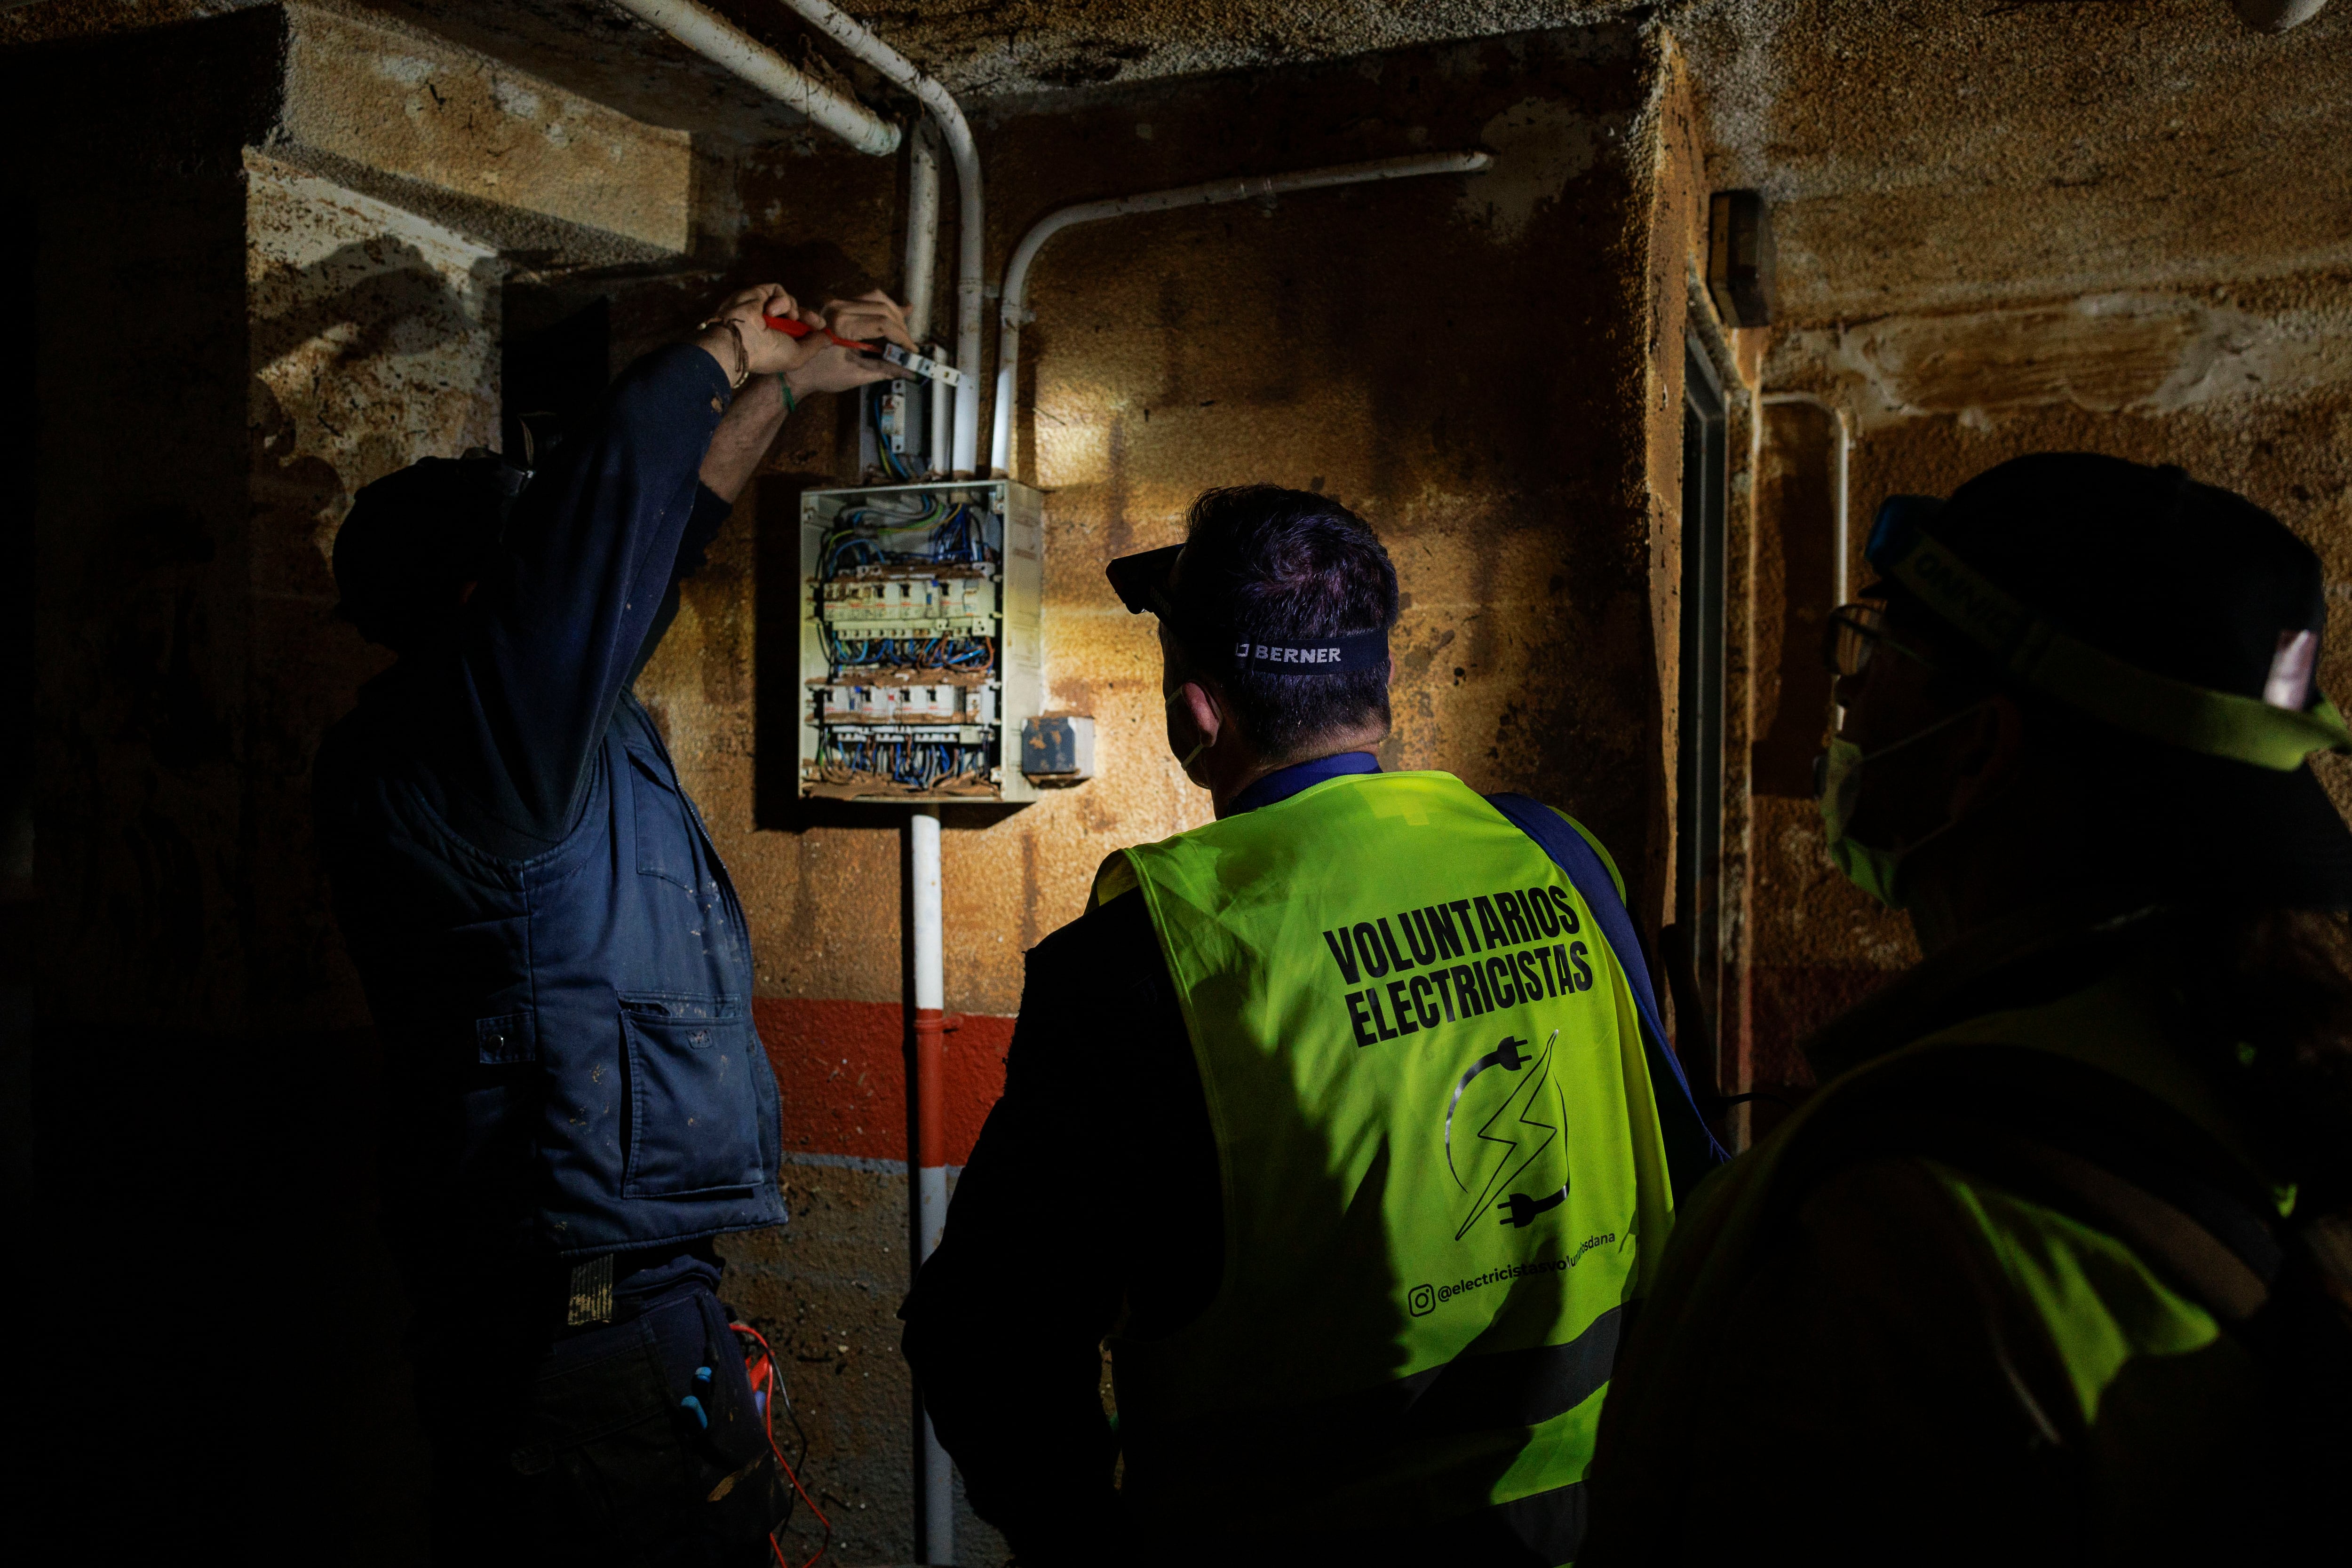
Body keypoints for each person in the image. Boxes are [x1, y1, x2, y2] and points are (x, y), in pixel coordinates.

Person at [898, 486, 1723, 1566]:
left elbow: (984, 1344)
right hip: (1601, 1526)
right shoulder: (1555, 856)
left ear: (1198, 713)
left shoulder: (1144, 954)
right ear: (1377, 683)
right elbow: (1695, 1177)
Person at [1581, 453, 2352, 1563]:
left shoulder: (1896, 1238)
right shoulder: (2262, 1064)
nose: (1845, 697)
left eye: (1879, 656)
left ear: (1978, 752)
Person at [314, 281, 911, 1564]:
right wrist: (736, 342)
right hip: (587, 1336)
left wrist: (784, 394)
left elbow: (664, 527)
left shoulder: (483, 730)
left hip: (584, 1310)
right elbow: (614, 510)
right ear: (485, 591)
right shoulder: (487, 739)